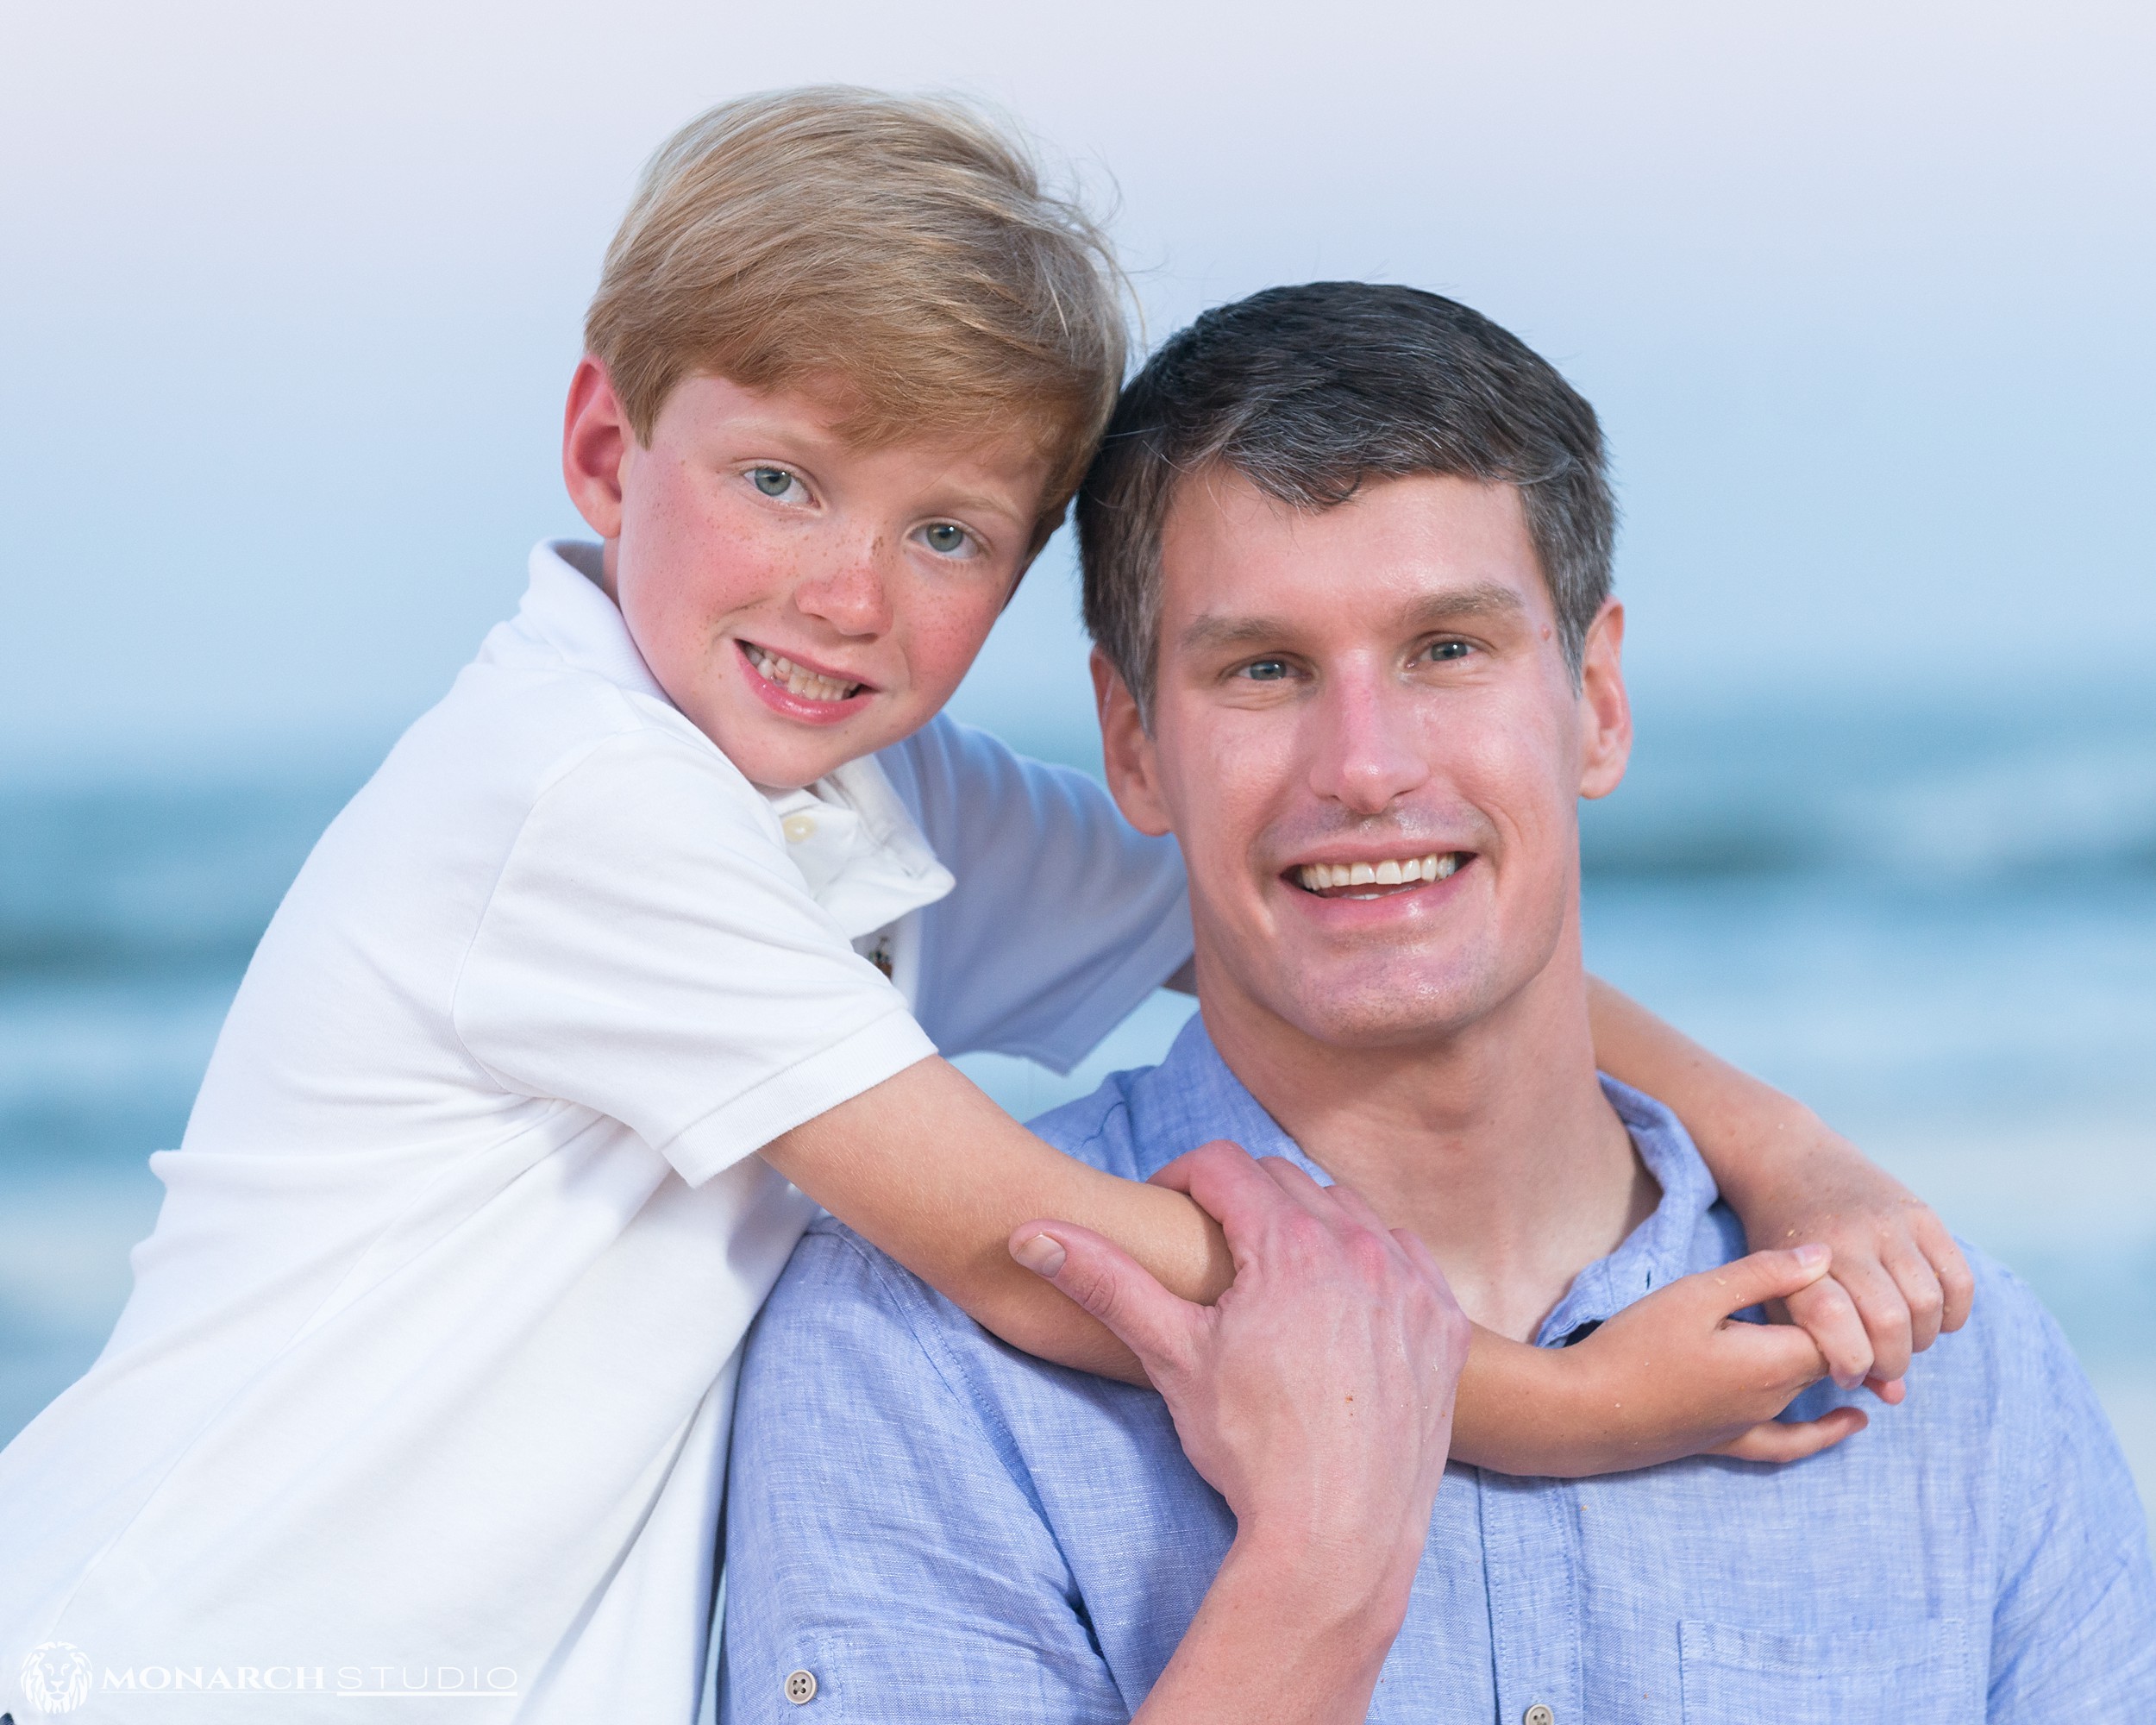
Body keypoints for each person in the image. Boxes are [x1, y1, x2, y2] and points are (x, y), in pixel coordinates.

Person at [1, 93, 1956, 1724]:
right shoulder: (574, 798)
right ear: (608, 447)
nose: (848, 593)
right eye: (779, 477)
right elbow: (1036, 1252)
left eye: (945, 533)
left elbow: (1311, 910)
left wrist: (1787, 1150)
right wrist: (1560, 1406)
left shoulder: (859, 794)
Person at [720, 281, 2156, 1722]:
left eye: (1447, 650)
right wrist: (1321, 1571)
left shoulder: (1945, 1380)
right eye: (1265, 669)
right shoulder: (915, 1365)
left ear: (1595, 700)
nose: (1365, 763)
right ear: (1133, 744)